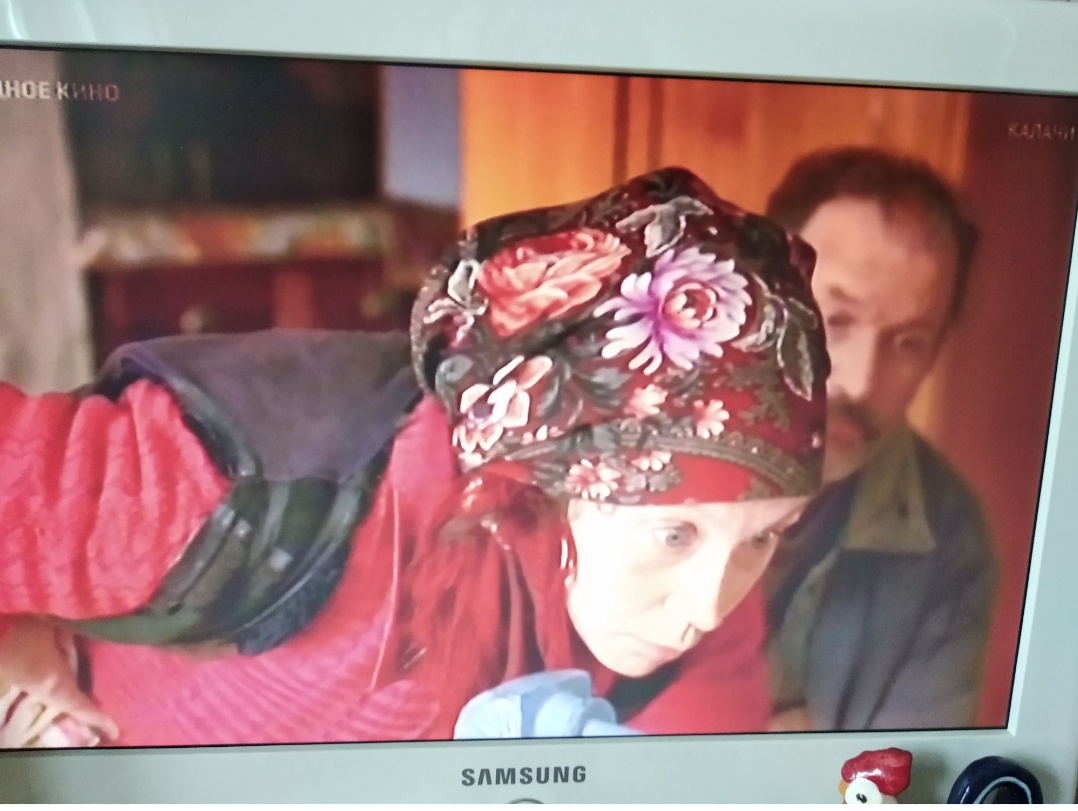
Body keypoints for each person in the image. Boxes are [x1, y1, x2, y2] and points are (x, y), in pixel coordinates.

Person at [0, 167, 829, 748]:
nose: (711, 605)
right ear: (541, 476)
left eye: (769, 534)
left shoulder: (701, 587)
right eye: (676, 534)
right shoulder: (241, 484)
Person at [762, 148, 997, 732]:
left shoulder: (953, 540)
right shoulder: (626, 458)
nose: (863, 380)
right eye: (836, 320)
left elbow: (911, 770)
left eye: (908, 343)